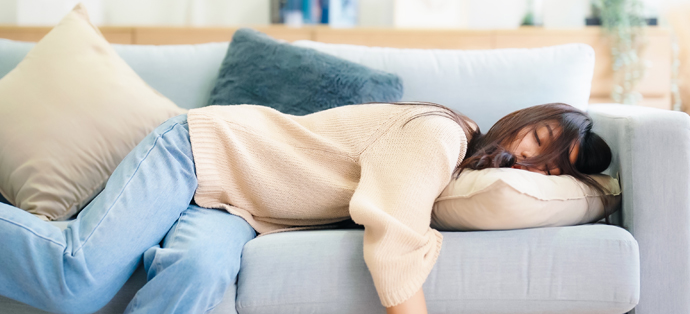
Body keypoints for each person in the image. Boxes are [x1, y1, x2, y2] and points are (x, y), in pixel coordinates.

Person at [0, 101, 611, 314]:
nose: (534, 166)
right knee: (75, 282)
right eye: (537, 142)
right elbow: (394, 233)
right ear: (520, 122)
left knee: (199, 273)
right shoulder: (441, 134)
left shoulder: (458, 171)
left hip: (233, 209)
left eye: (554, 167)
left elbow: (601, 191)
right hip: (197, 153)